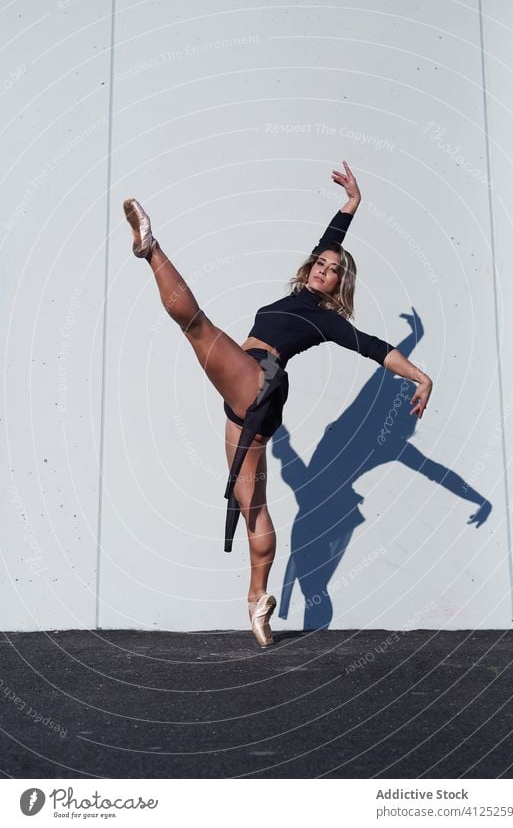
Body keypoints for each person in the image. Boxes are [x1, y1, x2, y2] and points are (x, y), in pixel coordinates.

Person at [123, 161, 433, 647]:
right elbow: (328, 239)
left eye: (333, 273)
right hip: (248, 400)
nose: (324, 271)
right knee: (253, 505)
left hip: (257, 382)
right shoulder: (297, 294)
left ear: (338, 287)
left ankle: (150, 248)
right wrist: (351, 205)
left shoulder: (326, 320)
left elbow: (374, 347)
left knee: (196, 324)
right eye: (320, 265)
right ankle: (258, 601)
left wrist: (419, 373)